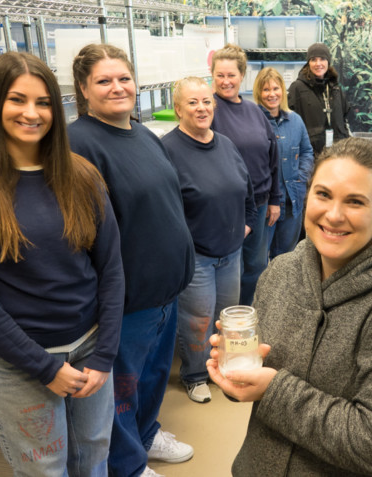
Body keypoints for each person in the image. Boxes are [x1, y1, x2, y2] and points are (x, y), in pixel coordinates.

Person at [206, 138, 372, 476]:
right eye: (323, 195)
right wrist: (239, 371)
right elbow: (259, 389)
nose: (333, 215)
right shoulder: (280, 273)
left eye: (355, 202)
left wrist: (273, 390)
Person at [0, 52, 124, 475]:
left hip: (91, 348)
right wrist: (45, 367)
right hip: (21, 361)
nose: (31, 113)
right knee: (45, 467)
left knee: (95, 453)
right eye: (17, 99)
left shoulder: (82, 176)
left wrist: (105, 355)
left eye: (43, 102)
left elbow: (111, 269)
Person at [68, 43, 195, 477]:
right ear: (83, 89)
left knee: (151, 378)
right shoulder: (78, 144)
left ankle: (144, 436)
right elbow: (82, 237)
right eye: (104, 80)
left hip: (164, 295)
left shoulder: (141, 134)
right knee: (121, 391)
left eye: (124, 78)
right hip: (127, 303)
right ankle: (126, 465)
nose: (118, 87)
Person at [161, 76, 258, 404]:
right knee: (198, 323)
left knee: (226, 318)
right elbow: (165, 210)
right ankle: (195, 375)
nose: (201, 108)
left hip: (231, 253)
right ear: (178, 109)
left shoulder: (226, 144)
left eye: (206, 102)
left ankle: (224, 368)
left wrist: (247, 224)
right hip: (197, 258)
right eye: (193, 102)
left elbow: (245, 189)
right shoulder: (168, 150)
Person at [210, 44, 281, 306]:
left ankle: (244, 312)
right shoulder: (209, 110)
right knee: (229, 268)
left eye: (231, 75)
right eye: (220, 75)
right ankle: (225, 318)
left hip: (261, 203)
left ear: (242, 76)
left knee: (255, 265)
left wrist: (275, 198)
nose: (225, 81)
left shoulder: (254, 111)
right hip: (228, 207)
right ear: (212, 76)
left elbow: (273, 156)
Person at [253, 67, 314, 258]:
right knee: (259, 260)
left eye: (276, 88)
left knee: (287, 258)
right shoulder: (252, 121)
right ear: (258, 93)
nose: (272, 94)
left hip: (291, 201)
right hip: (264, 204)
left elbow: (307, 152)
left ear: (282, 91)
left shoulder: (295, 121)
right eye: (266, 90)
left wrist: (300, 178)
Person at [287, 42, 350, 155]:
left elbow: (344, 119)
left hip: (337, 153)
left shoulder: (335, 88)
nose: (318, 64)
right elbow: (289, 123)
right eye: (313, 60)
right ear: (308, 63)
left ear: (328, 62)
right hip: (310, 155)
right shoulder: (297, 88)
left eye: (322, 59)